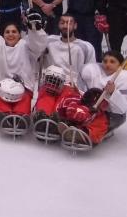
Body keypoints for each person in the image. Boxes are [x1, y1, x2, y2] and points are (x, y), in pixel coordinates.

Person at [32, 13, 95, 141]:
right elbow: (33, 46)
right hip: (50, 81)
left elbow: (91, 72)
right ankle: (43, 118)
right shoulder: (49, 41)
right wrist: (37, 36)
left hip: (71, 85)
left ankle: (56, 120)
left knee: (63, 101)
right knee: (46, 97)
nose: (66, 25)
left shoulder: (85, 47)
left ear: (75, 26)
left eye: (69, 22)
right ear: (58, 25)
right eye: (62, 22)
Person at [0, 11, 47, 132]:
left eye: (14, 32)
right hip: (0, 86)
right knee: (1, 102)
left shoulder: (26, 46)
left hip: (23, 87)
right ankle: (2, 115)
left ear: (20, 35)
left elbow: (38, 44)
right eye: (7, 32)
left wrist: (35, 29)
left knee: (23, 102)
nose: (10, 34)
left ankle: (22, 117)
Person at [59, 50, 127, 147]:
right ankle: (70, 124)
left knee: (98, 121)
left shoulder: (126, 78)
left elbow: (122, 109)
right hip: (90, 109)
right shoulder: (93, 72)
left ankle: (86, 134)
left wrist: (113, 93)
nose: (107, 64)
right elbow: (82, 93)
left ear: (120, 65)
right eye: (105, 61)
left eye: (112, 61)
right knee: (74, 107)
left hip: (112, 115)